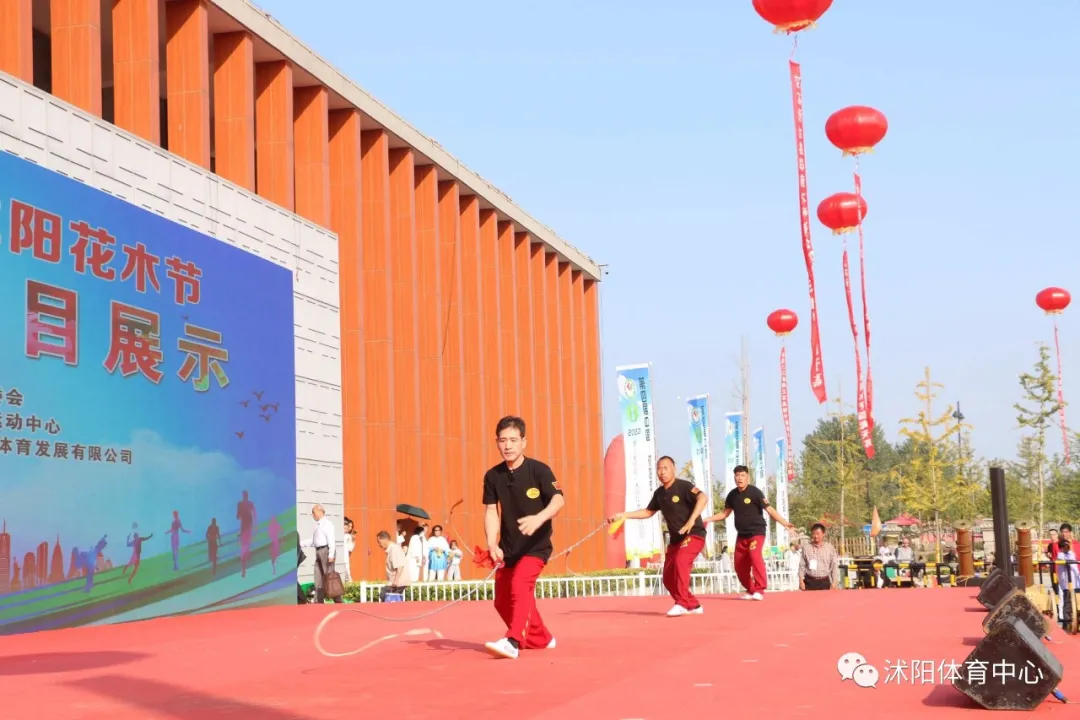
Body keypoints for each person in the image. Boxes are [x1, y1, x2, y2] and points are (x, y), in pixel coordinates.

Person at [482, 416, 564, 660]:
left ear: (524, 442)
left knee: (520, 585)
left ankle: (513, 640)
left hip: (535, 546)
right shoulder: (492, 476)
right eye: (503, 440)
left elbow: (558, 499)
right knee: (502, 601)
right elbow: (490, 511)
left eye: (513, 440)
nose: (508, 445)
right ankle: (542, 638)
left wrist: (539, 518)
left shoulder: (538, 470)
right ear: (497, 442)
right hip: (509, 548)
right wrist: (491, 543)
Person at [612, 456, 709, 616]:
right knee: (668, 578)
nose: (662, 472)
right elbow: (648, 511)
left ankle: (682, 604)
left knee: (681, 561)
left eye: (665, 468)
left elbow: (703, 498)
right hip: (676, 540)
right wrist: (623, 515)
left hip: (694, 535)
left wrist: (691, 521)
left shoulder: (684, 486)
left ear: (673, 469)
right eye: (659, 468)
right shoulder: (659, 494)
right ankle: (693, 605)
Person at [702, 464, 795, 601]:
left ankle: (760, 589)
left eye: (742, 475)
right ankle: (751, 590)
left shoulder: (755, 492)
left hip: (757, 532)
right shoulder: (732, 495)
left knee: (754, 555)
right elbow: (725, 513)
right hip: (742, 535)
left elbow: (769, 510)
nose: (739, 478)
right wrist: (709, 519)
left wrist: (785, 523)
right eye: (737, 475)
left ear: (748, 477)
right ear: (734, 477)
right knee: (739, 566)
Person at [300, 504, 342, 604]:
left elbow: (331, 540)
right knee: (318, 575)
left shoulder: (327, 524)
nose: (312, 515)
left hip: (326, 550)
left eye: (313, 512)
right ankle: (318, 600)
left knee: (329, 576)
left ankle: (338, 600)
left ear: (320, 511)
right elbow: (315, 541)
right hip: (318, 550)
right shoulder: (318, 526)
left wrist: (331, 554)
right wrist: (301, 544)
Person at [799, 523, 840, 590]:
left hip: (824, 582)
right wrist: (801, 581)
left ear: (823, 534)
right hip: (809, 581)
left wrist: (834, 582)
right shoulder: (806, 548)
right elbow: (802, 565)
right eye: (814, 534)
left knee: (825, 600)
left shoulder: (830, 548)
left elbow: (834, 566)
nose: (815, 536)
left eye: (818, 534)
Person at [377, 530, 410, 601]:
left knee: (384, 595)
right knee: (386, 597)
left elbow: (399, 566)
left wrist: (396, 580)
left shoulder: (394, 549)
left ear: (385, 540)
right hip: (394, 581)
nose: (379, 544)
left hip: (397, 582)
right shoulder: (392, 549)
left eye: (379, 542)